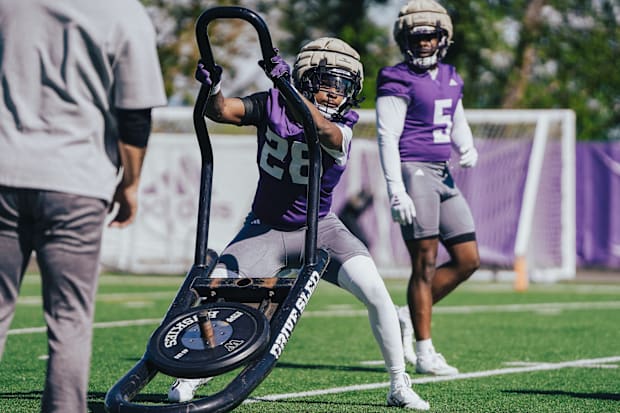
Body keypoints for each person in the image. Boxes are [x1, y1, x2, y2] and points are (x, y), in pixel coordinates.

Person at [167, 38, 430, 410]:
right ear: (307, 78)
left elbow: (322, 130)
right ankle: (191, 377)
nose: (336, 94)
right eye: (328, 81)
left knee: (377, 295)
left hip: (320, 228)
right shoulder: (272, 103)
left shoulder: (344, 125)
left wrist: (285, 86)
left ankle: (397, 383)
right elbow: (222, 111)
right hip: (264, 228)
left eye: (344, 86)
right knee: (218, 292)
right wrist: (213, 87)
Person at [0, 1, 167, 411]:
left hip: (3, 169)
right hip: (76, 180)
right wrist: (130, 185)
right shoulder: (125, 14)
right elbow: (134, 116)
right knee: (69, 320)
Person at [375, 0, 481, 376]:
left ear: (442, 38)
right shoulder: (396, 77)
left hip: (442, 171)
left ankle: (406, 315)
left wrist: (465, 145)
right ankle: (424, 352)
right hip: (413, 170)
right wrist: (395, 189)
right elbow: (387, 137)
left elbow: (456, 117)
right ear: (405, 38)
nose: (423, 42)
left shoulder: (451, 75)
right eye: (416, 36)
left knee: (469, 258)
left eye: (430, 36)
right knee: (425, 264)